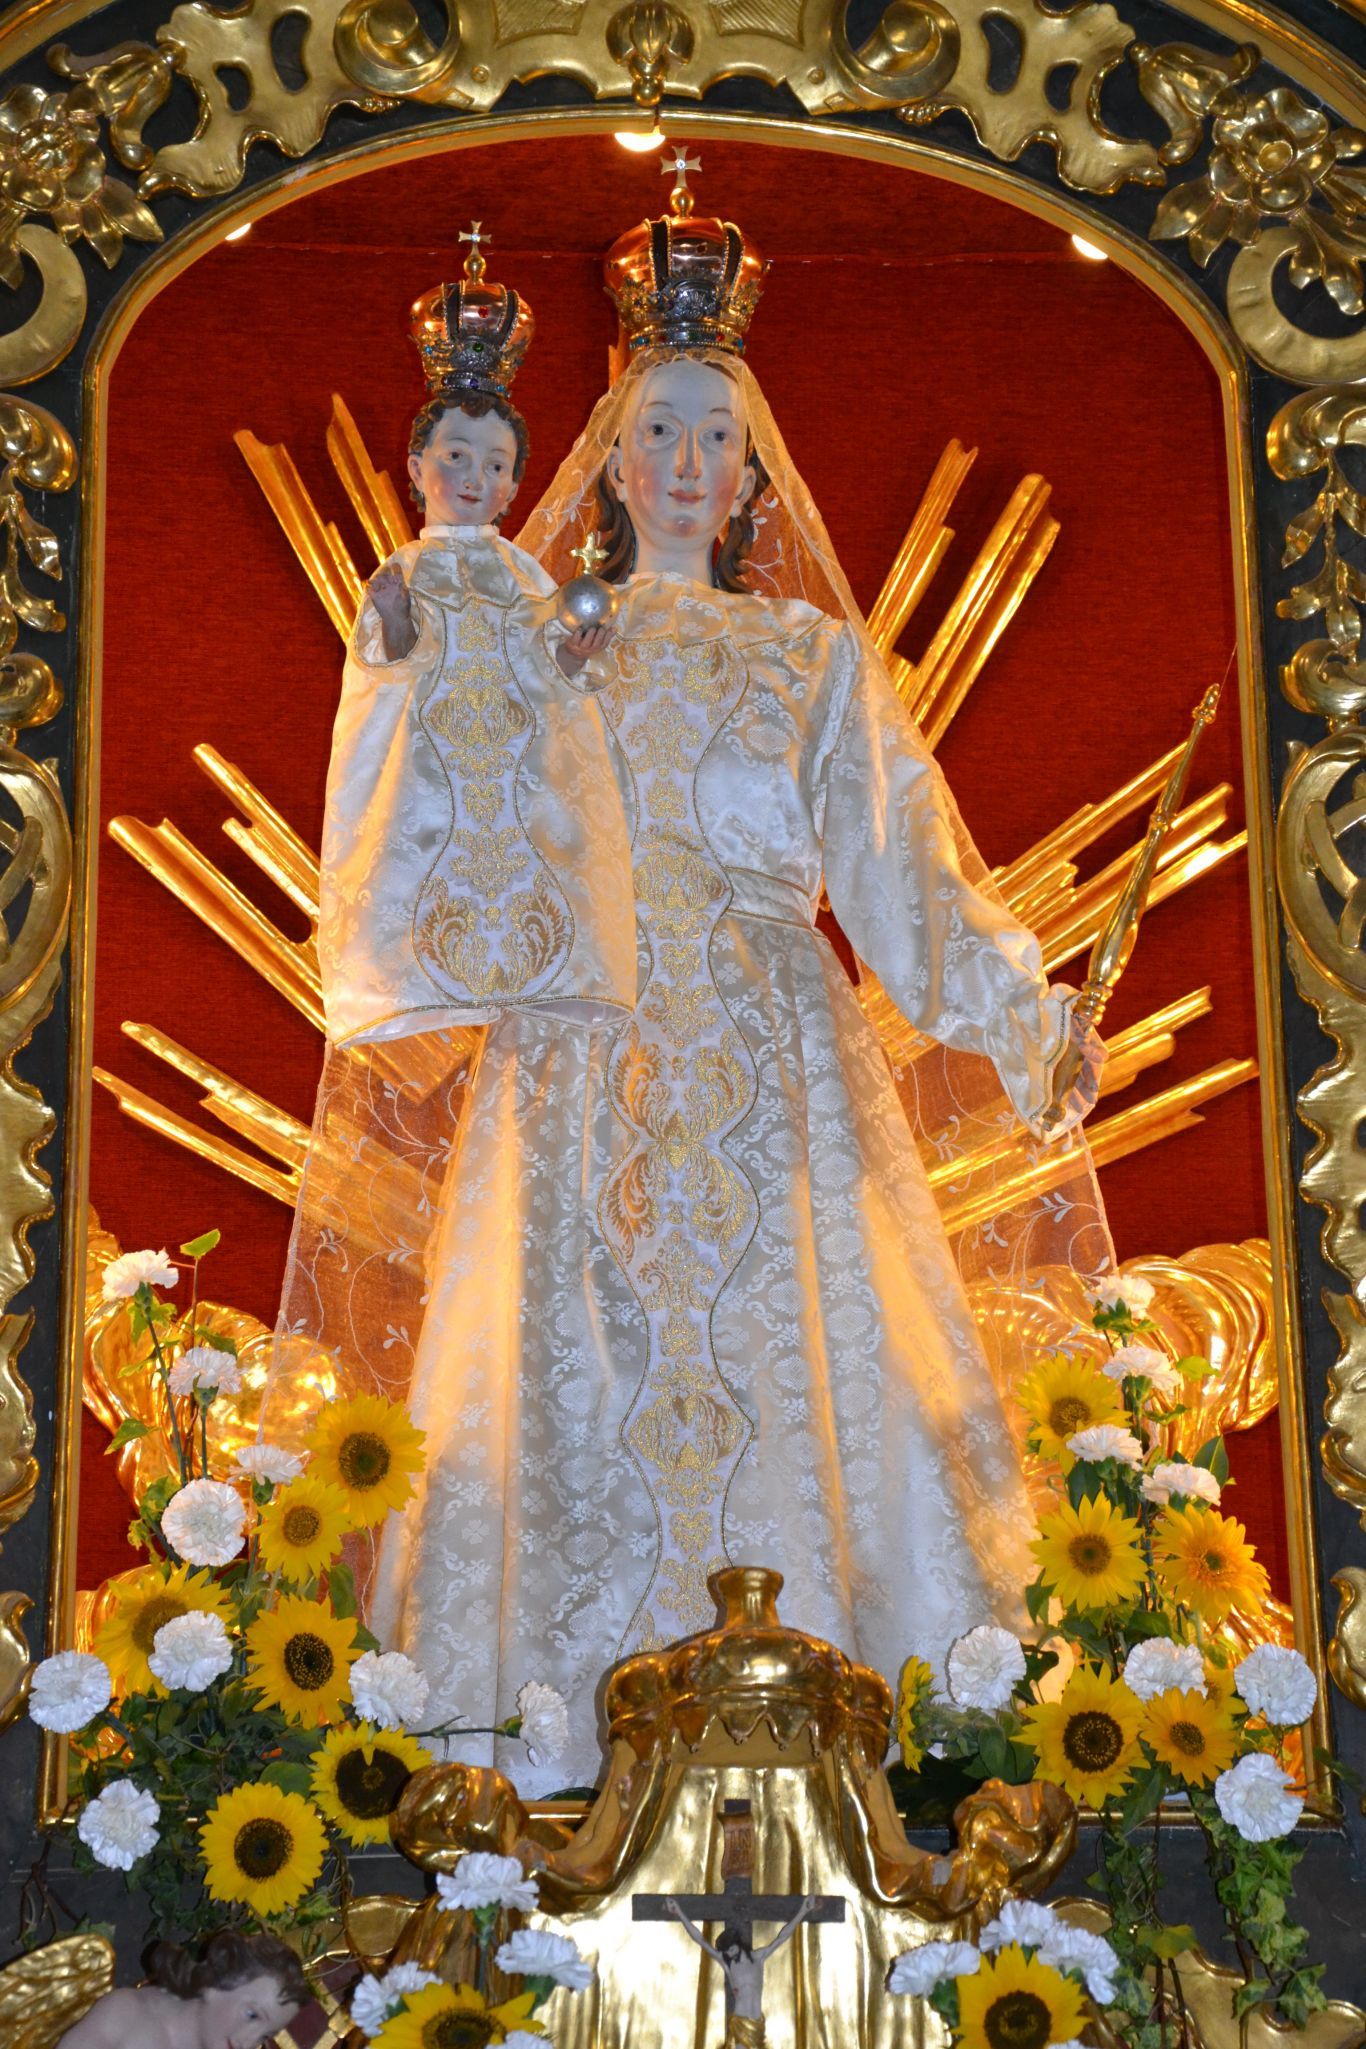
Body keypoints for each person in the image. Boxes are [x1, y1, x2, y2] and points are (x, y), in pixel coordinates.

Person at [276, 173, 1108, 1796]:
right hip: (584, 1049)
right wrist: (417, 622)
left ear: (747, 468)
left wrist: (1027, 1019)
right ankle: (546, 1754)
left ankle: (843, 1747)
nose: (681, 461)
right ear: (607, 452)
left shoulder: (808, 659)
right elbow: (438, 770)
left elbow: (904, 872)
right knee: (573, 1363)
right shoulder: (551, 633)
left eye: (711, 435)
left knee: (790, 1357)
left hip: (773, 1050)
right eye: (654, 429)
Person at [58, 1930, 307, 2049]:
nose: (249, 2041)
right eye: (252, 2015)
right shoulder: (127, 2014)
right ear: (218, 1982)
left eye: (265, 2036)